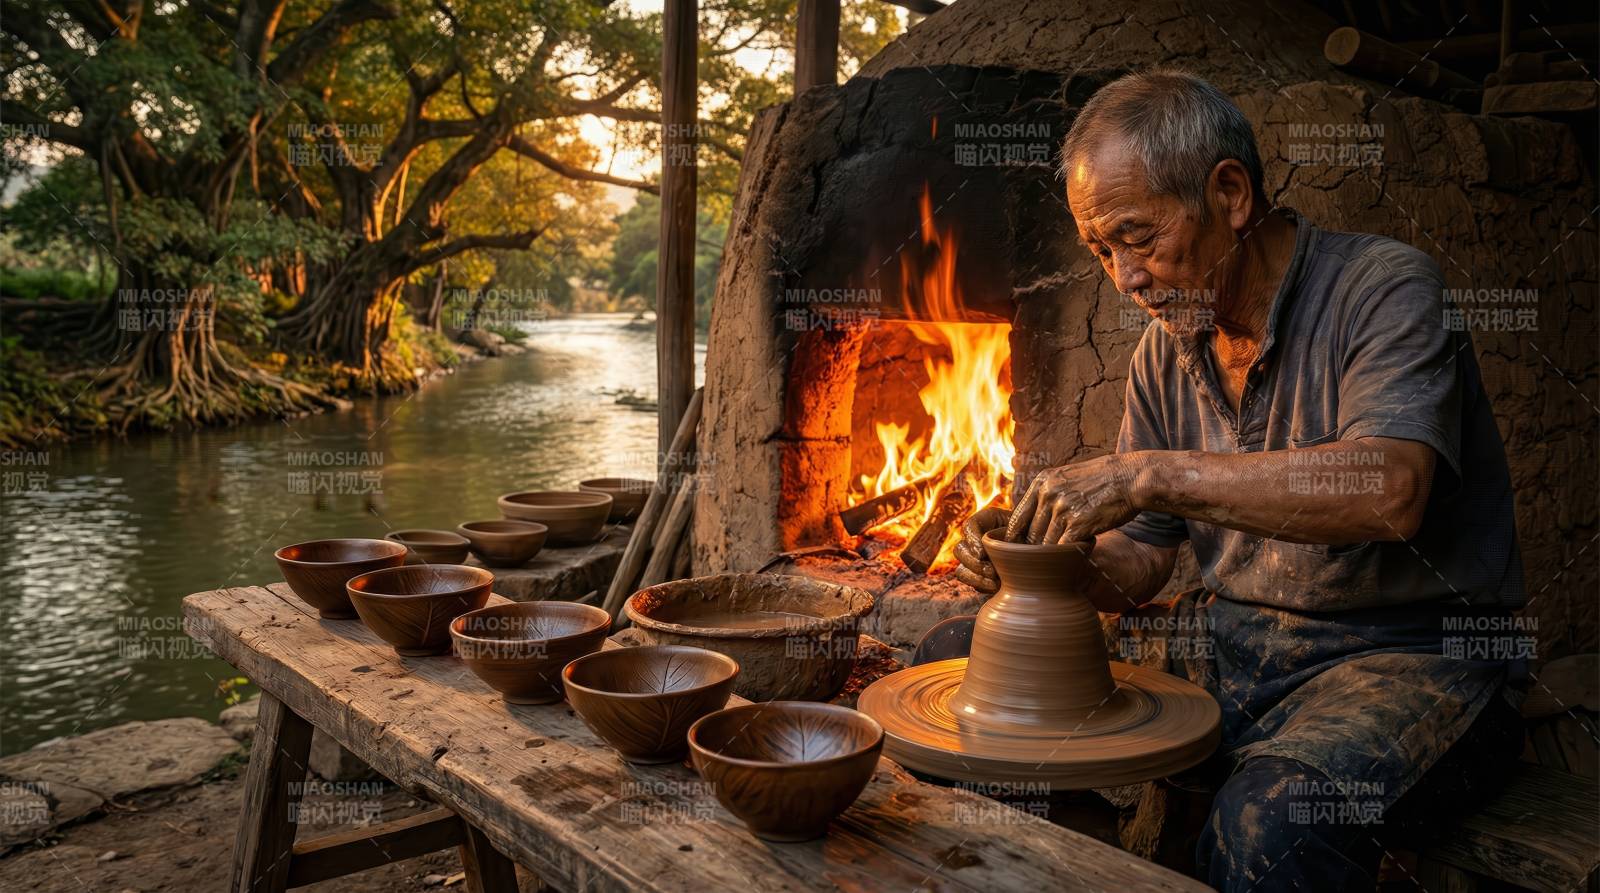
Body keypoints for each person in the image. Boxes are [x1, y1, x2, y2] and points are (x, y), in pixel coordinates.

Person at [950, 69, 1526, 891]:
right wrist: (1051, 562)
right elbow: (1144, 557)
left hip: (1415, 656)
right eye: (1100, 250)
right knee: (954, 660)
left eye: (1138, 237)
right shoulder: (1166, 347)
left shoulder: (1386, 289)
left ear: (1229, 194)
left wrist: (1147, 473)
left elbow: (1391, 490)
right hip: (1235, 641)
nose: (1125, 277)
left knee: (1269, 826)